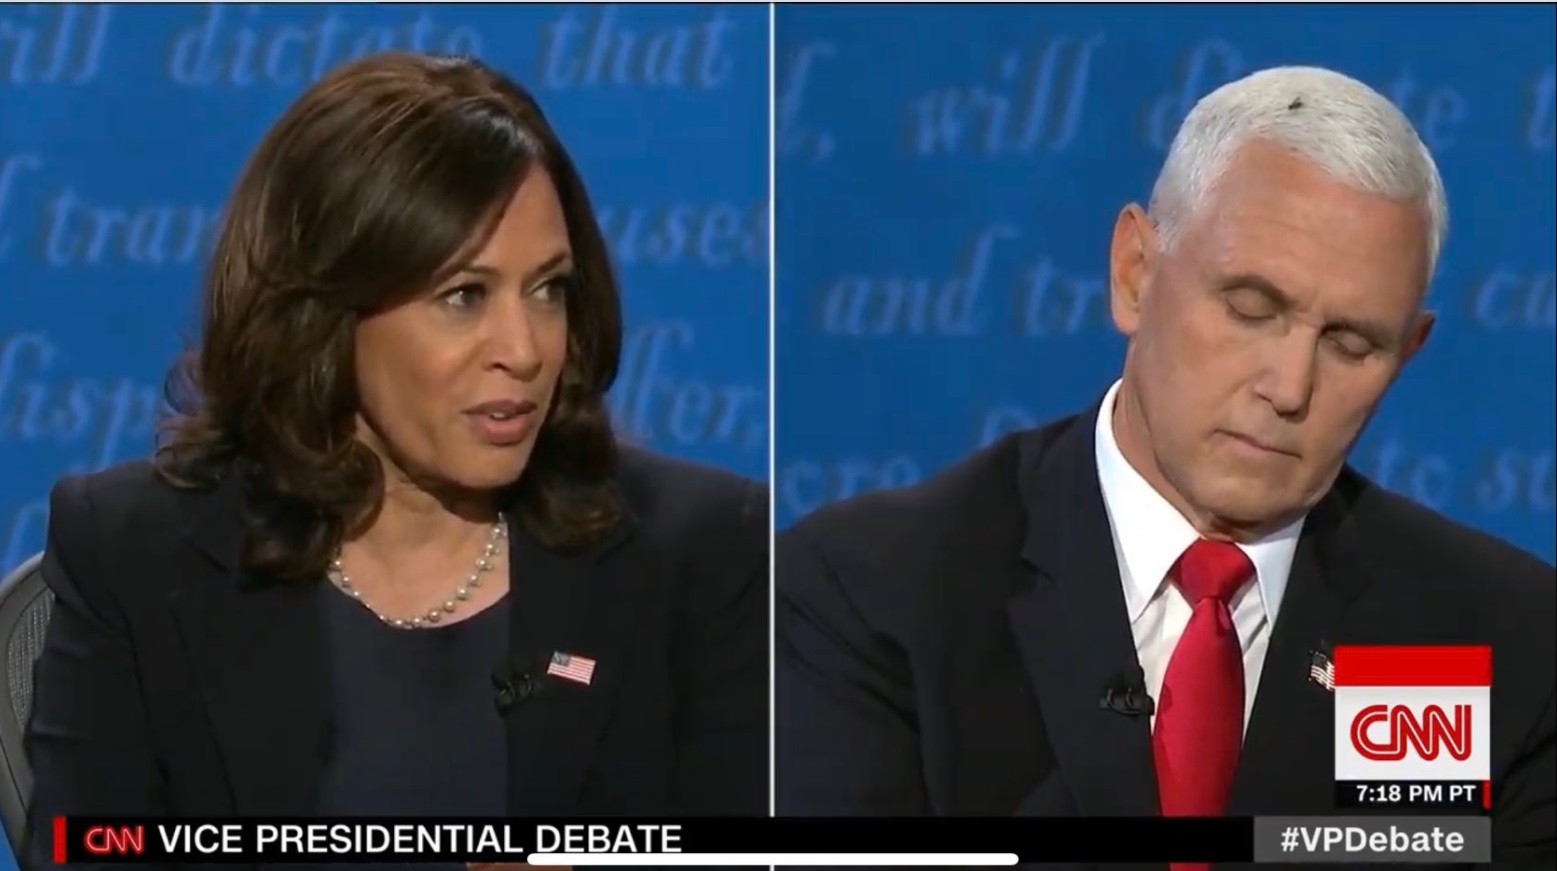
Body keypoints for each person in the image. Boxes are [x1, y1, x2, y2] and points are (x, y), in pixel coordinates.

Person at [775, 65, 1554, 866]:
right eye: (1251, 309)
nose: (1289, 387)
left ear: (1407, 353)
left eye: (1352, 343)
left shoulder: (1507, 644)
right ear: (1135, 275)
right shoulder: (872, 594)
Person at [23, 51, 768, 866]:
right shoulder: (132, 551)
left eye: (548, 288)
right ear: (324, 312)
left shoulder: (704, 553)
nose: (523, 350)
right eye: (463, 296)